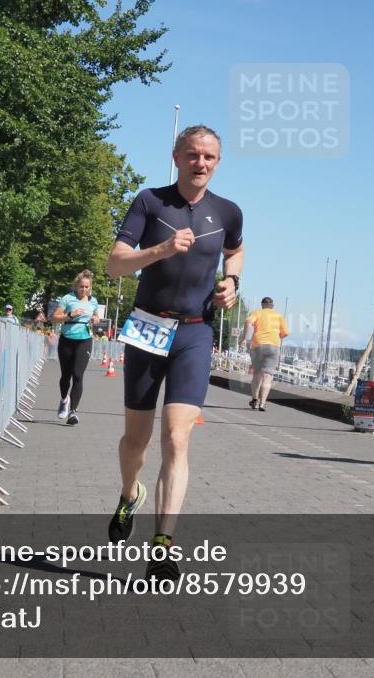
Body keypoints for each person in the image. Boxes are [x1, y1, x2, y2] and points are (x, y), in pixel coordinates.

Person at [105, 125, 243, 581]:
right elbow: (114, 264)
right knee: (136, 442)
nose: (200, 163)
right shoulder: (150, 201)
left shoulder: (228, 211)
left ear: (217, 162)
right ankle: (129, 495)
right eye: (192, 155)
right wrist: (161, 248)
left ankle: (163, 544)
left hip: (195, 334)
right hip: (148, 326)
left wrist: (232, 283)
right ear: (177, 157)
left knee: (178, 438)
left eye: (209, 157)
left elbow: (235, 252)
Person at [51, 270, 101, 426]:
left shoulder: (93, 301)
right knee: (66, 376)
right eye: (81, 287)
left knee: (78, 375)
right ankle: (64, 399)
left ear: (90, 287)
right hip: (67, 339)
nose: (84, 290)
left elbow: (96, 317)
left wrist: (95, 319)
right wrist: (70, 315)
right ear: (76, 286)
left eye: (87, 287)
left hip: (85, 339)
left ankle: (73, 411)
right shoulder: (67, 298)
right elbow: (54, 318)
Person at [243, 296, 288, 411]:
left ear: (262, 305)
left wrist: (244, 338)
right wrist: (277, 337)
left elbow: (248, 322)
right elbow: (285, 333)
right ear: (272, 306)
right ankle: (263, 403)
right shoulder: (279, 316)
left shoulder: (257, 312)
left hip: (258, 345)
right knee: (267, 377)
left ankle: (254, 400)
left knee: (257, 374)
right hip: (273, 346)